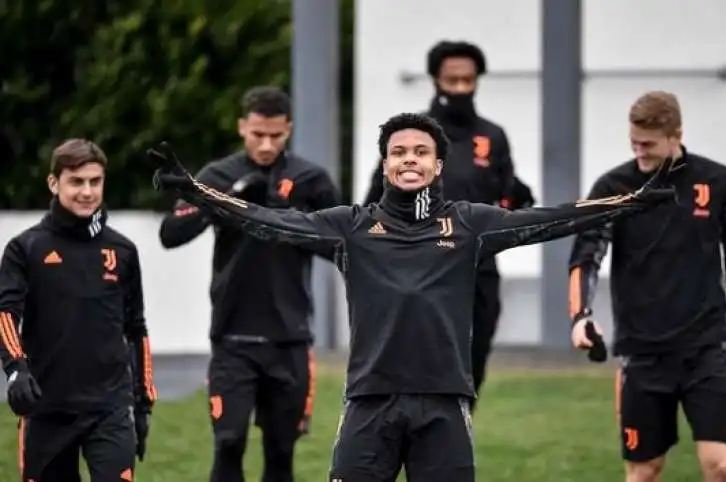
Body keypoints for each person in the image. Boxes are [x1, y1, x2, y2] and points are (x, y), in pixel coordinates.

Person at [150, 112, 674, 482]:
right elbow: (268, 220)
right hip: (370, 404)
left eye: (421, 152)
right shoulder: (352, 227)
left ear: (437, 165)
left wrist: (629, 203)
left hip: (444, 404)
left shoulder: (468, 224)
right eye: (398, 151)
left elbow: (549, 218)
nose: (409, 159)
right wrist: (198, 192)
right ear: (385, 164)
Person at [567, 91, 726, 482]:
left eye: (649, 145)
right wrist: (581, 316)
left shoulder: (717, 180)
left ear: (676, 135)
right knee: (644, 472)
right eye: (634, 143)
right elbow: (587, 254)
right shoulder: (613, 186)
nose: (640, 152)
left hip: (705, 349)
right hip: (643, 355)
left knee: (721, 467)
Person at [158, 86, 340, 482]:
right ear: (242, 127)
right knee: (228, 442)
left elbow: (341, 246)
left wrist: (285, 217)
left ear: (288, 129)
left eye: (275, 135)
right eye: (258, 134)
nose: (266, 144)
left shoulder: (310, 180)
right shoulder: (217, 176)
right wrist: (223, 201)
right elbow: (170, 234)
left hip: (289, 338)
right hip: (232, 338)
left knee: (280, 452)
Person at [364, 40, 536, 407]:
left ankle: (458, 433)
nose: (459, 89)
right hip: (421, 268)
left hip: (477, 267)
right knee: (419, 366)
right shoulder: (412, 137)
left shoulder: (491, 136)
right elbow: (373, 207)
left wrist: (517, 199)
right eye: (451, 81)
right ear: (434, 80)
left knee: (471, 365)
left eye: (467, 81)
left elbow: (506, 195)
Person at [0, 139, 157, 481]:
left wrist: (143, 402)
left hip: (110, 408)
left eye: (95, 182)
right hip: (47, 408)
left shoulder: (123, 250)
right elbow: (5, 315)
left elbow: (136, 329)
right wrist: (16, 370)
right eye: (76, 182)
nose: (87, 192)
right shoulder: (24, 249)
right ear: (54, 183)